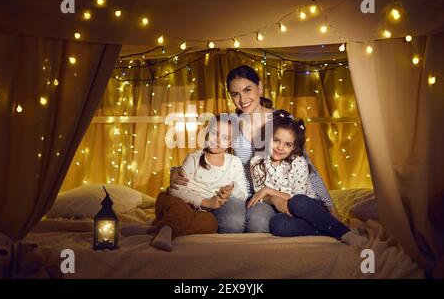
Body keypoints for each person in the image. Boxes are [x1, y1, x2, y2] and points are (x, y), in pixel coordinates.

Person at [171, 65, 333, 233]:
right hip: (246, 195)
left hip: (282, 192)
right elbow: (208, 152)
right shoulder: (230, 122)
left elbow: (307, 167)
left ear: (260, 87)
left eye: (247, 90)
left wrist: (330, 206)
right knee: (244, 222)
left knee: (261, 223)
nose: (242, 99)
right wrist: (176, 170)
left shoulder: (282, 119)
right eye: (235, 94)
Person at [248, 110, 367, 246]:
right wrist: (272, 198)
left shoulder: (298, 162)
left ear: (293, 148)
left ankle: (345, 234)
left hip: (308, 206)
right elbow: (260, 195)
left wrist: (270, 191)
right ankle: (331, 231)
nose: (280, 147)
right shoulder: (256, 162)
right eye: (276, 140)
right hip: (285, 211)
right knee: (277, 224)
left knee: (297, 202)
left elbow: (297, 196)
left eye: (288, 144)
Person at [151, 115, 248, 251]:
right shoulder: (194, 159)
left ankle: (158, 229)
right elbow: (176, 190)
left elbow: (243, 194)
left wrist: (232, 190)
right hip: (177, 201)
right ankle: (165, 233)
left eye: (226, 137)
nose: (218, 140)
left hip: (201, 212)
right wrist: (206, 203)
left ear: (231, 143)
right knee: (181, 211)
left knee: (210, 224)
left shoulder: (234, 162)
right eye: (215, 133)